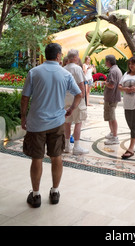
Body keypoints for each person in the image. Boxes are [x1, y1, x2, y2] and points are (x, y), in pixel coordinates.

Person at [21, 43, 82, 208]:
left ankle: (35, 196)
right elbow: (79, 94)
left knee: (37, 158)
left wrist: (23, 117)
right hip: (57, 122)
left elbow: (25, 97)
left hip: (36, 122)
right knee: (56, 157)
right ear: (58, 56)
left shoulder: (34, 72)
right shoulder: (65, 74)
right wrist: (70, 109)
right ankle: (54, 192)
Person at [64, 49, 89, 155]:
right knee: (78, 122)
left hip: (65, 99)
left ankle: (66, 146)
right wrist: (82, 97)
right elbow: (81, 84)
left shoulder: (63, 69)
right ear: (75, 57)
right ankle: (76, 147)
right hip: (76, 99)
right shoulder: (77, 68)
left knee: (67, 123)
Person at [103, 55, 122, 145]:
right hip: (113, 97)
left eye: (105, 61)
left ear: (108, 62)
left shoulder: (113, 71)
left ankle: (115, 137)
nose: (105, 63)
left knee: (112, 117)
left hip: (111, 97)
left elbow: (111, 85)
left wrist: (105, 83)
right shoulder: (117, 69)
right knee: (110, 117)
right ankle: (112, 133)